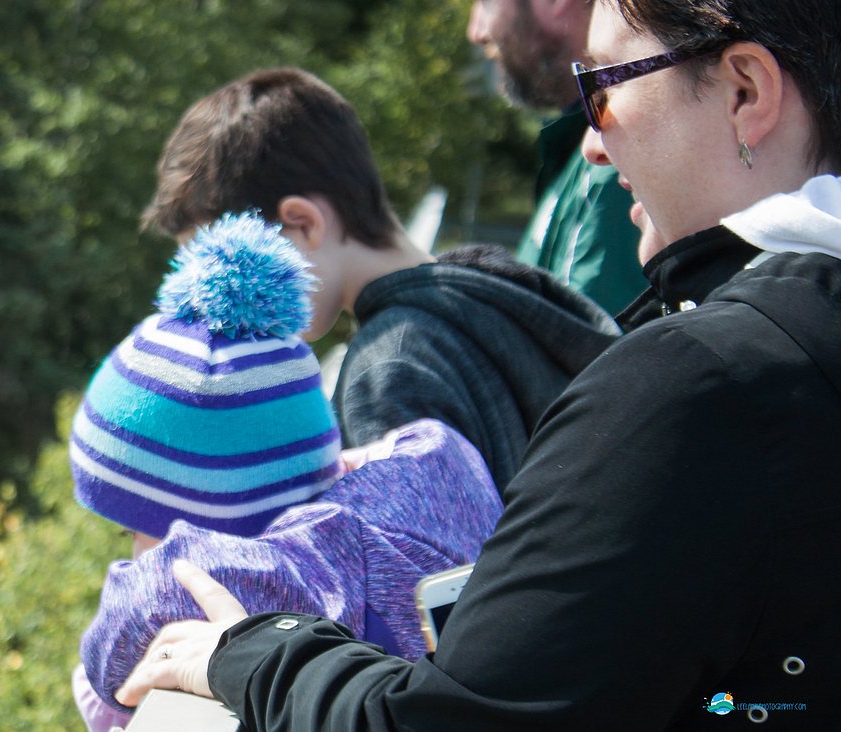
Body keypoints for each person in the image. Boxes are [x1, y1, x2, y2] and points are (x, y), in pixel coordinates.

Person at [114, 1, 841, 728]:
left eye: (604, 90)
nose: (590, 142)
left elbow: (441, 696)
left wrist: (250, 650)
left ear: (745, 90)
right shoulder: (505, 292)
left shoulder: (697, 380)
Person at [70, 211, 503, 729]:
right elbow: (428, 445)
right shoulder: (426, 478)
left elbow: (119, 644)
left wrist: (98, 701)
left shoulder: (281, 578)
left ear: (214, 530)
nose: (131, 555)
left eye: (131, 530)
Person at [143, 65, 620, 492]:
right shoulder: (501, 287)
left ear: (302, 223)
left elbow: (414, 575)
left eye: (223, 263)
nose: (220, 309)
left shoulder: (386, 371)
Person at [467, 0, 648, 315]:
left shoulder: (615, 162)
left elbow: (593, 351)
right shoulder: (579, 148)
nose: (476, 31)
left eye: (485, 3)